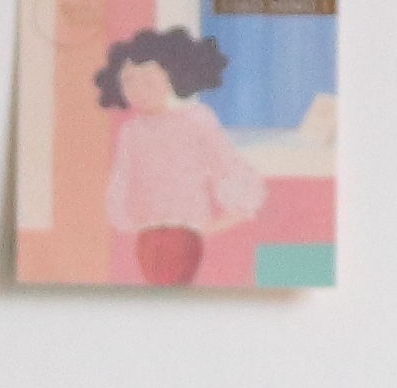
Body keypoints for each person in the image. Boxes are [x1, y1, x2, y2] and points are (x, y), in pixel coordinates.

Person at [97, 25, 270, 288]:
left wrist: (214, 225)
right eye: (129, 80)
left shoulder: (195, 120)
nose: (137, 89)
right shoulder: (130, 132)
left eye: (148, 80)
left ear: (171, 77)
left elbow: (229, 168)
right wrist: (134, 223)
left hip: (186, 237)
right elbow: (122, 183)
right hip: (147, 238)